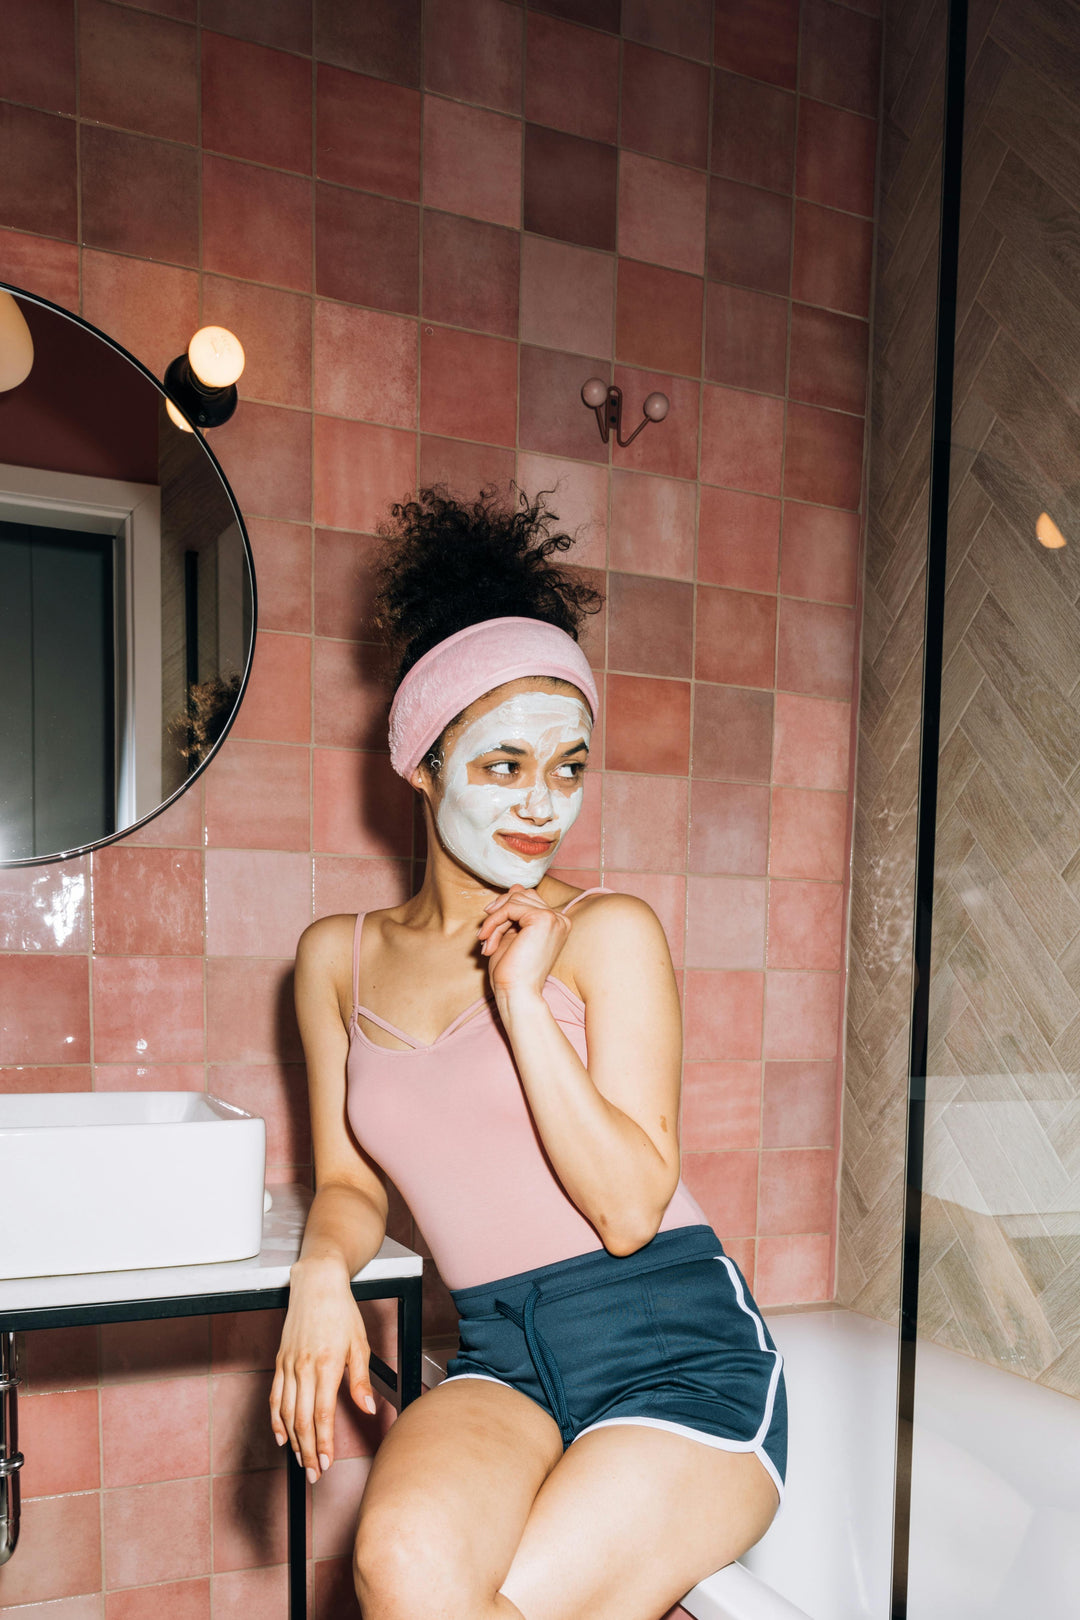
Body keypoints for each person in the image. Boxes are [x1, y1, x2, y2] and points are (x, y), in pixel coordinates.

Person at [269, 487, 787, 1620]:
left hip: (673, 1347)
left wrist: (519, 993)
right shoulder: (334, 961)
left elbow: (626, 1210)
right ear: (421, 764)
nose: (543, 805)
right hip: (503, 1354)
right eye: (503, 766)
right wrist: (321, 1272)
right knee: (399, 1567)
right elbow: (353, 1183)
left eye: (569, 767)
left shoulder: (606, 933)